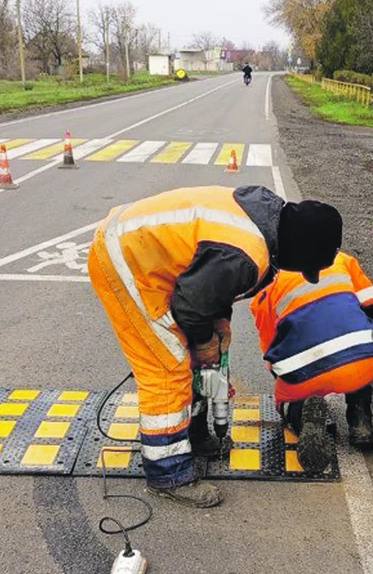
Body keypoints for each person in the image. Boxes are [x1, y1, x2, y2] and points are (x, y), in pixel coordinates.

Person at [88, 185, 342, 508]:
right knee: (168, 367)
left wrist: (219, 323)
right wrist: (206, 342)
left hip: (143, 253)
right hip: (125, 260)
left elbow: (211, 282)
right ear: (300, 252)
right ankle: (167, 472)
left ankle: (192, 436)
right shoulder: (249, 253)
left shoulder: (266, 216)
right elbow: (192, 305)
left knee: (190, 358)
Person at [249, 251, 373, 471]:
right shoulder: (342, 259)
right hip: (363, 362)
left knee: (284, 402)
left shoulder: (269, 282)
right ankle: (360, 420)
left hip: (307, 371)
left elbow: (272, 353)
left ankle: (301, 413)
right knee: (356, 349)